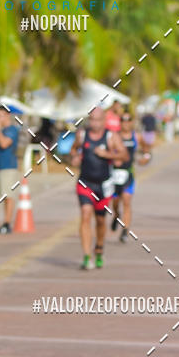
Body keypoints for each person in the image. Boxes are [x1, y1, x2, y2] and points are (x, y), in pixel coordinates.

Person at [70, 107, 127, 270]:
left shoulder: (111, 136)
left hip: (104, 184)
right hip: (85, 183)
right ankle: (87, 256)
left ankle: (99, 249)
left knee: (101, 220)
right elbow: (74, 149)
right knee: (85, 214)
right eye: (92, 119)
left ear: (104, 120)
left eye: (98, 119)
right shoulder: (82, 134)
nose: (94, 123)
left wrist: (107, 155)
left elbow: (124, 155)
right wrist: (74, 156)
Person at [111, 112, 140, 243]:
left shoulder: (136, 136)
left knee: (127, 201)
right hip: (114, 174)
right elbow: (108, 151)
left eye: (128, 120)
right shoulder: (114, 137)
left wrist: (146, 158)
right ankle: (116, 215)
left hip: (128, 173)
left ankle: (125, 230)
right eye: (123, 120)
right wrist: (114, 158)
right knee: (116, 203)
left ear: (132, 122)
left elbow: (146, 150)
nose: (126, 123)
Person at [0, 106, 20, 234]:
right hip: (1, 167)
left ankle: (7, 224)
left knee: (9, 196)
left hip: (9, 167)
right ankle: (6, 222)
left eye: (0, 116)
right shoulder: (4, 130)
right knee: (4, 195)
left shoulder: (12, 130)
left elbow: (4, 143)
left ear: (7, 115)